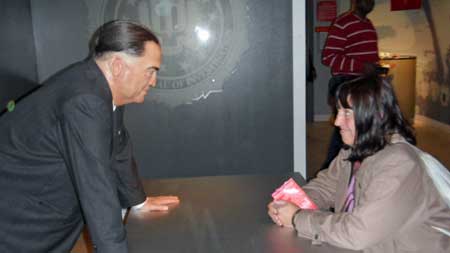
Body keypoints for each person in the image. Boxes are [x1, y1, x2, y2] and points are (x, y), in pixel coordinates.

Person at [0, 20, 179, 252]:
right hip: (17, 221)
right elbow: (97, 188)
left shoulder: (98, 85)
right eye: (150, 71)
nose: (153, 81)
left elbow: (118, 147)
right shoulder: (85, 100)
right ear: (117, 66)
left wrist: (138, 202)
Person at [267, 76, 450, 252]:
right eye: (338, 111)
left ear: (376, 115)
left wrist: (297, 217)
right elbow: (325, 187)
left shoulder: (399, 164)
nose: (337, 121)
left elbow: (358, 233)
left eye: (347, 113)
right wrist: (290, 202)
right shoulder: (353, 149)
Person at [320, 0, 379, 171]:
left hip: (363, 84)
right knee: (344, 132)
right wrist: (362, 66)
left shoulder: (368, 25)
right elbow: (328, 57)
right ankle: (328, 174)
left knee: (360, 132)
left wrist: (375, 68)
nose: (369, 2)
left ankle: (353, 172)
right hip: (346, 84)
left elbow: (368, 56)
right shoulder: (342, 22)